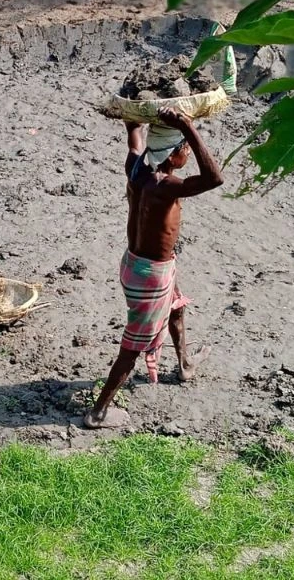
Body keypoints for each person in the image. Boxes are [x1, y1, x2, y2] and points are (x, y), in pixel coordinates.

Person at [84, 106, 223, 429]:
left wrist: (135, 115)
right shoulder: (166, 186)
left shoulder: (137, 169)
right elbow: (214, 178)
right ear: (173, 156)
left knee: (176, 308)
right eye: (184, 150)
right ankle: (98, 412)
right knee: (132, 347)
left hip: (135, 265)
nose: (187, 153)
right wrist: (187, 127)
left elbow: (134, 138)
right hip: (151, 276)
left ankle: (185, 363)